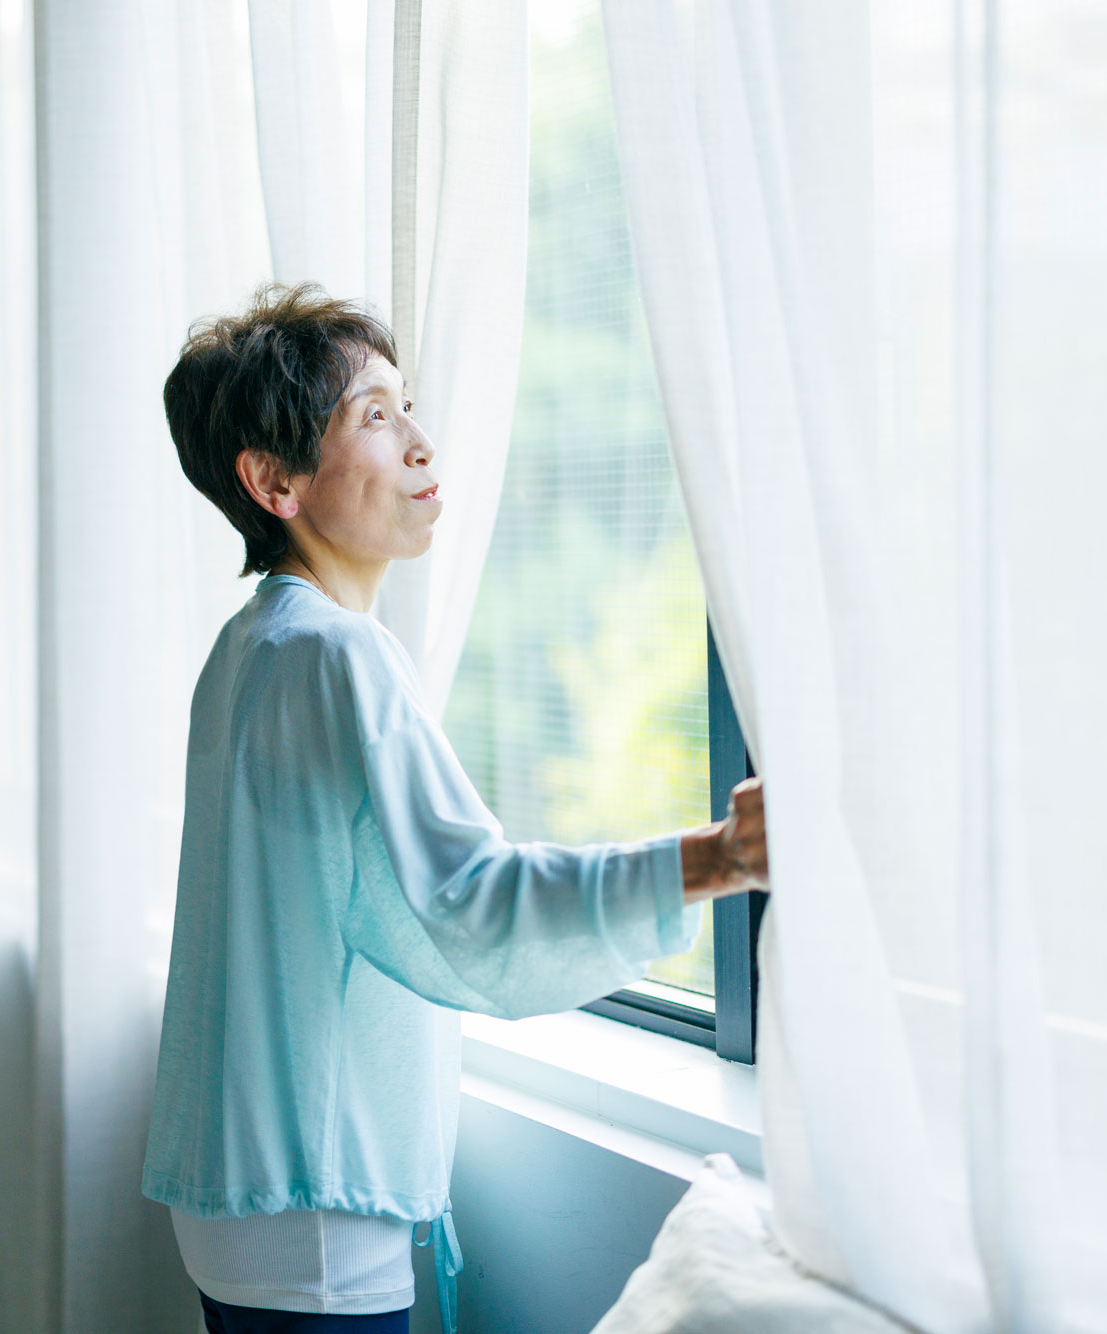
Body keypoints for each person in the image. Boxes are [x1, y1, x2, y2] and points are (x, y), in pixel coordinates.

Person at [142, 284, 769, 1334]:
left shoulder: (251, 644)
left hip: (243, 1191)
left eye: (409, 406)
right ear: (272, 480)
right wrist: (710, 858)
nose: (423, 445)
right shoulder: (336, 658)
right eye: (374, 416)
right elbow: (469, 905)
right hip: (313, 1215)